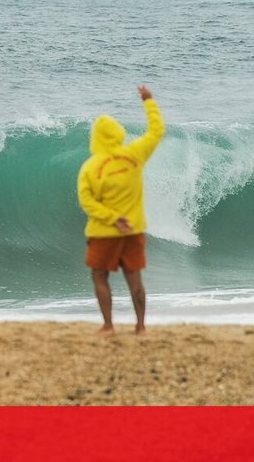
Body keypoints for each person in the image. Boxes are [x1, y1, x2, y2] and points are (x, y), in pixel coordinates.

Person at [77, 86, 165, 336]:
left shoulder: (90, 167)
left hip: (104, 232)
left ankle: (108, 325)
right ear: (117, 133)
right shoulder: (134, 155)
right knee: (135, 279)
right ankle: (140, 327)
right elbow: (157, 131)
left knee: (99, 276)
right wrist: (148, 101)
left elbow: (87, 202)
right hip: (133, 230)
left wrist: (113, 219)